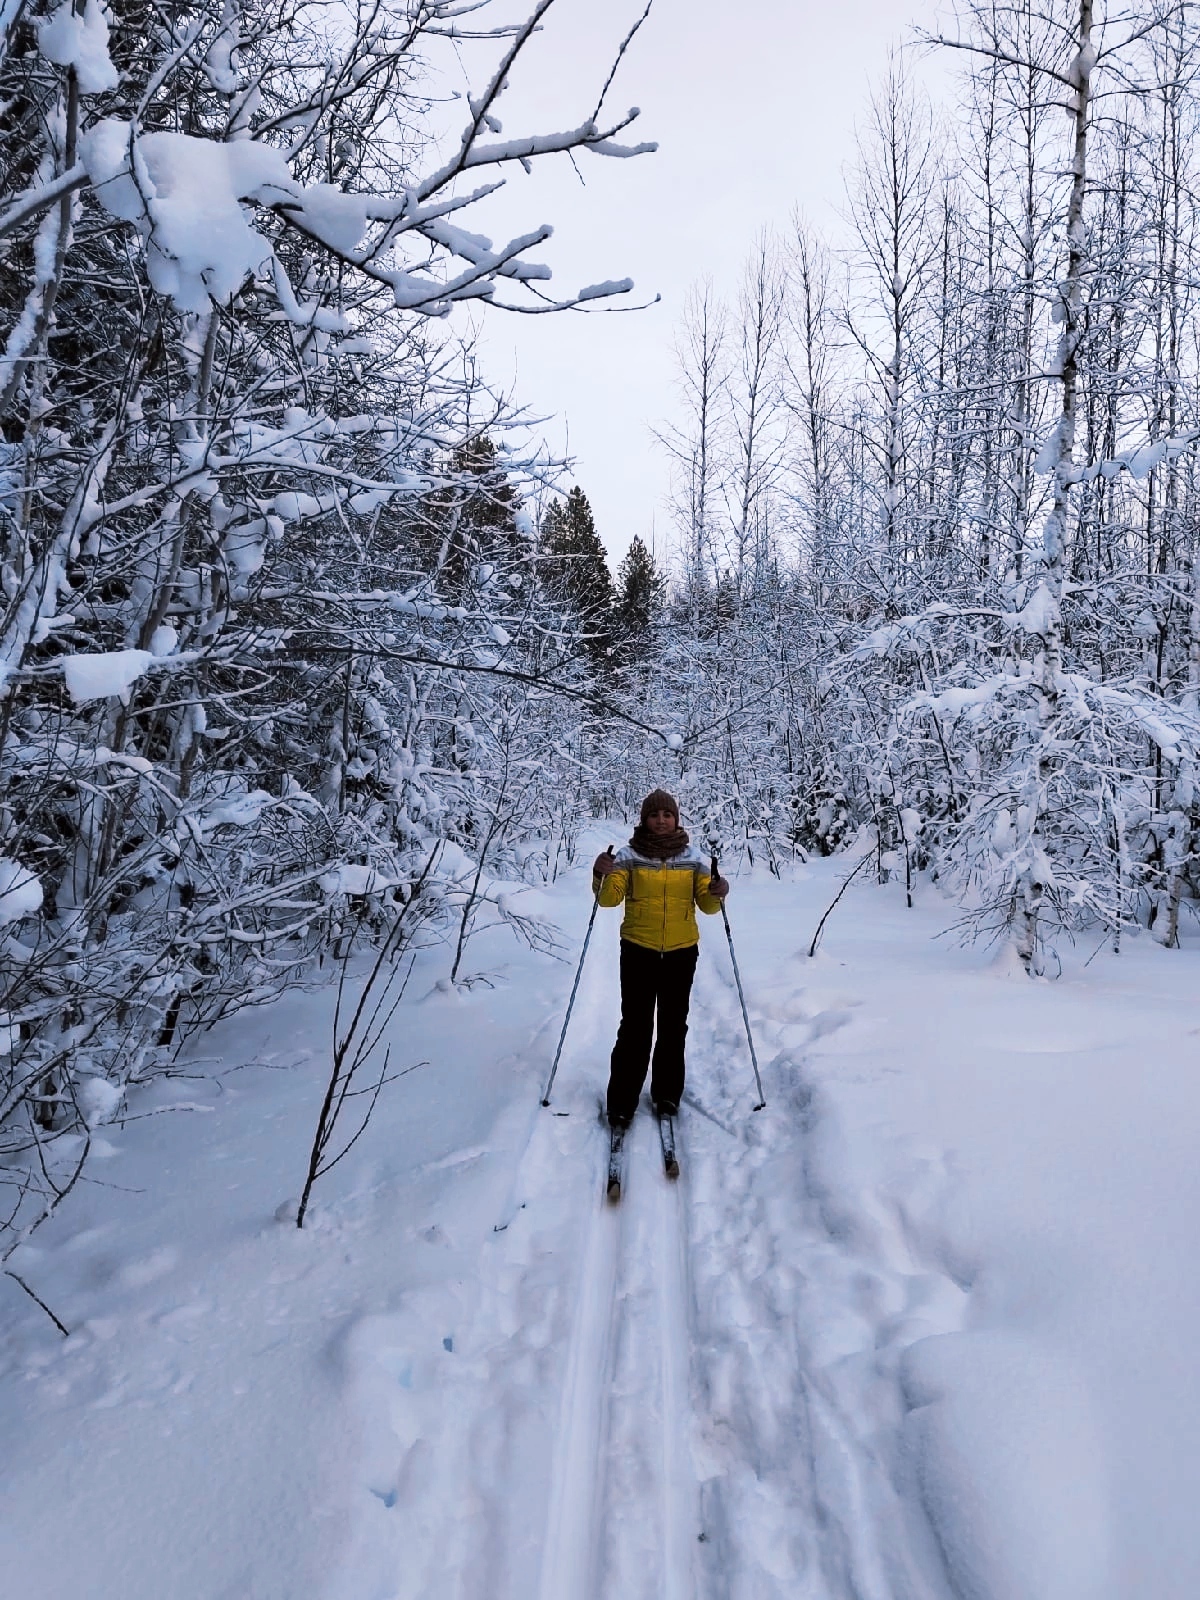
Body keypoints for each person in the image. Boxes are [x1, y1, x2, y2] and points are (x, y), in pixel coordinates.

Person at [592, 789, 729, 1128]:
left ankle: (667, 1093)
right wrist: (600, 874)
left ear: (676, 818)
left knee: (673, 1026)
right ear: (645, 819)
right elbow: (608, 901)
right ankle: (622, 1101)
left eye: (667, 814)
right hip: (639, 949)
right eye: (654, 815)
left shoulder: (694, 858)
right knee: (635, 1027)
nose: (661, 820)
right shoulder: (628, 856)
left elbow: (708, 907)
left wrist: (718, 891)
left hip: (682, 952)